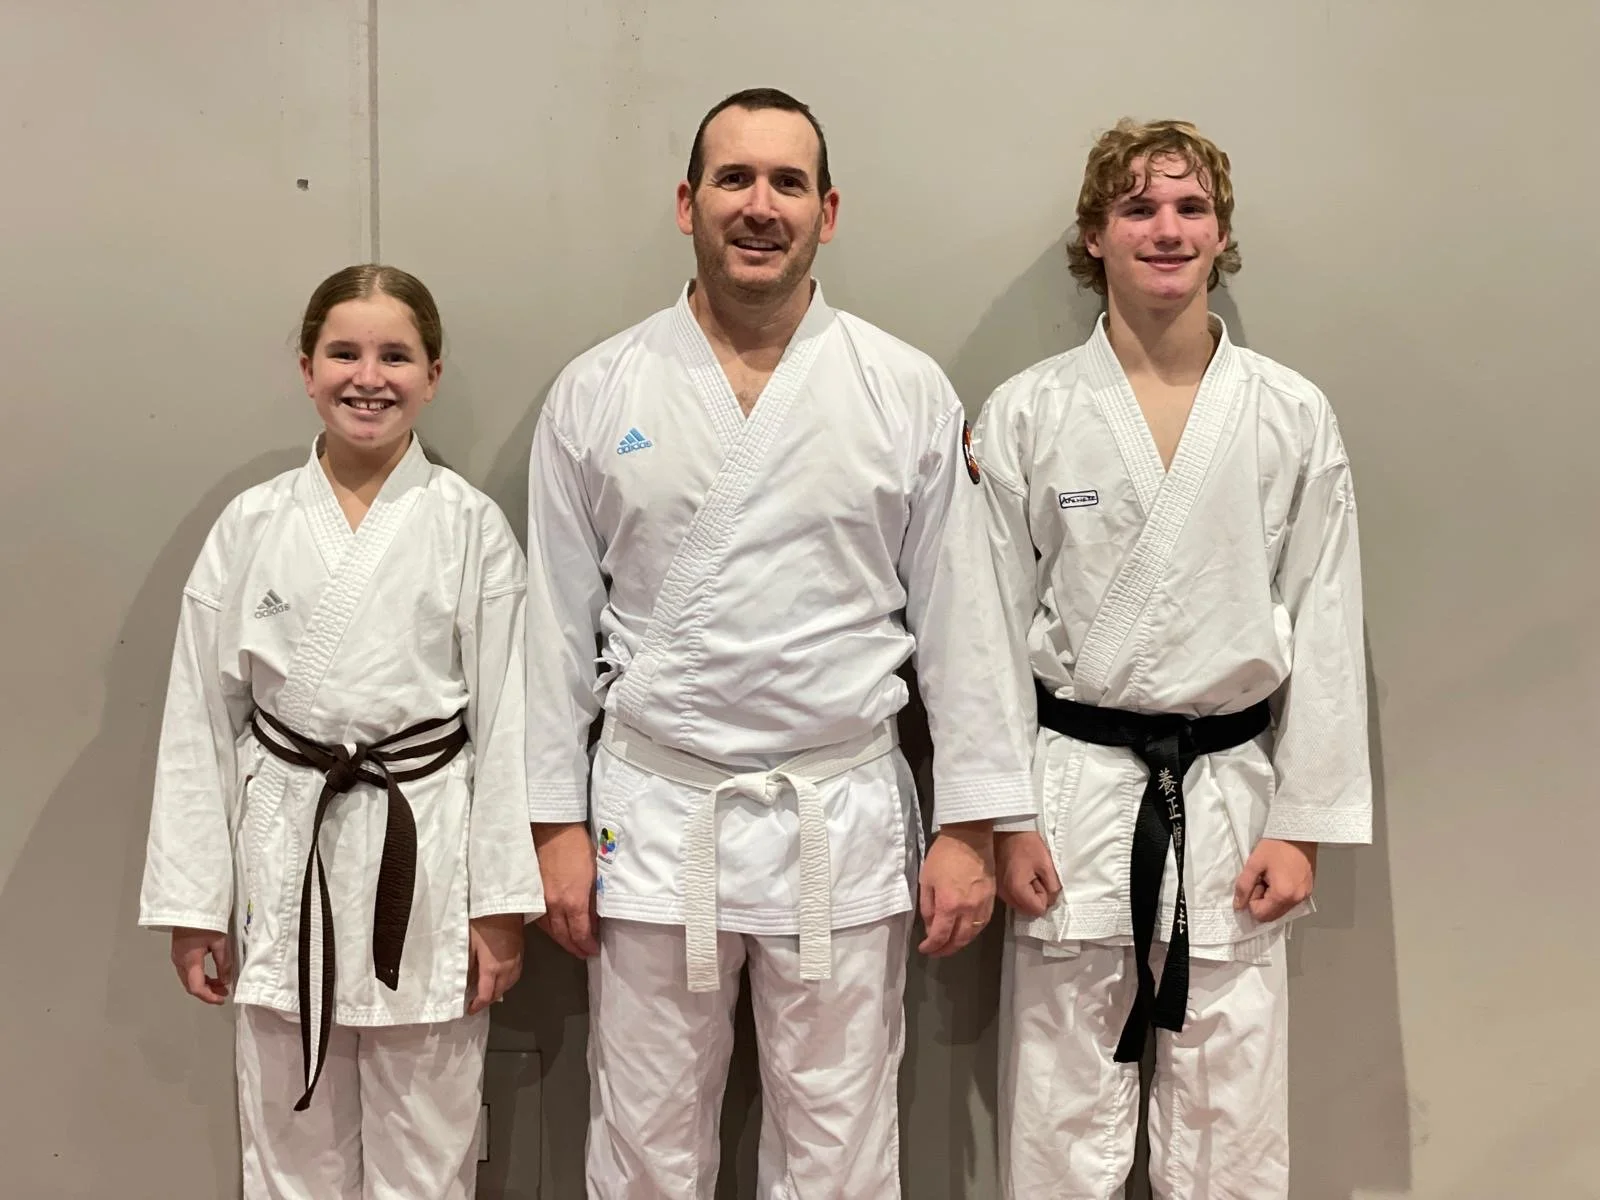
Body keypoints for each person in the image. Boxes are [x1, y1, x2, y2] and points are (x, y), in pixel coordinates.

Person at [523, 87, 1034, 1198]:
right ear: (686, 203)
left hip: (837, 810)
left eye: (787, 183)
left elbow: (963, 625)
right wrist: (553, 823)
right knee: (644, 1137)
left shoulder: (900, 388)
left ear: (828, 211)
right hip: (657, 813)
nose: (761, 207)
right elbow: (552, 630)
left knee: (841, 1141)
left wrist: (970, 826)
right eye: (735, 179)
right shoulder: (597, 389)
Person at [973, 120, 1371, 1199]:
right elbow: (987, 634)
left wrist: (1302, 823)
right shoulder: (1029, 412)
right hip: (1072, 794)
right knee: (1059, 1114)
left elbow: (1324, 622)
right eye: (1138, 208)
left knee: (1228, 1117)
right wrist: (1002, 817)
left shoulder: (1289, 413)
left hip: (1231, 791)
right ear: (1093, 237)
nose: (1165, 229)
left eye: (1189, 208)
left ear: (1221, 233)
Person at [138, 265, 544, 1199]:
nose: (371, 377)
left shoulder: (470, 528)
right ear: (306, 369)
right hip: (286, 849)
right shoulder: (251, 527)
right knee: (288, 1151)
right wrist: (198, 902)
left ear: (433, 375)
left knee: (431, 1148)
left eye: (396, 355)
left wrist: (500, 909)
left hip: (428, 856)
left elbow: (509, 720)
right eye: (345, 353)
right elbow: (199, 720)